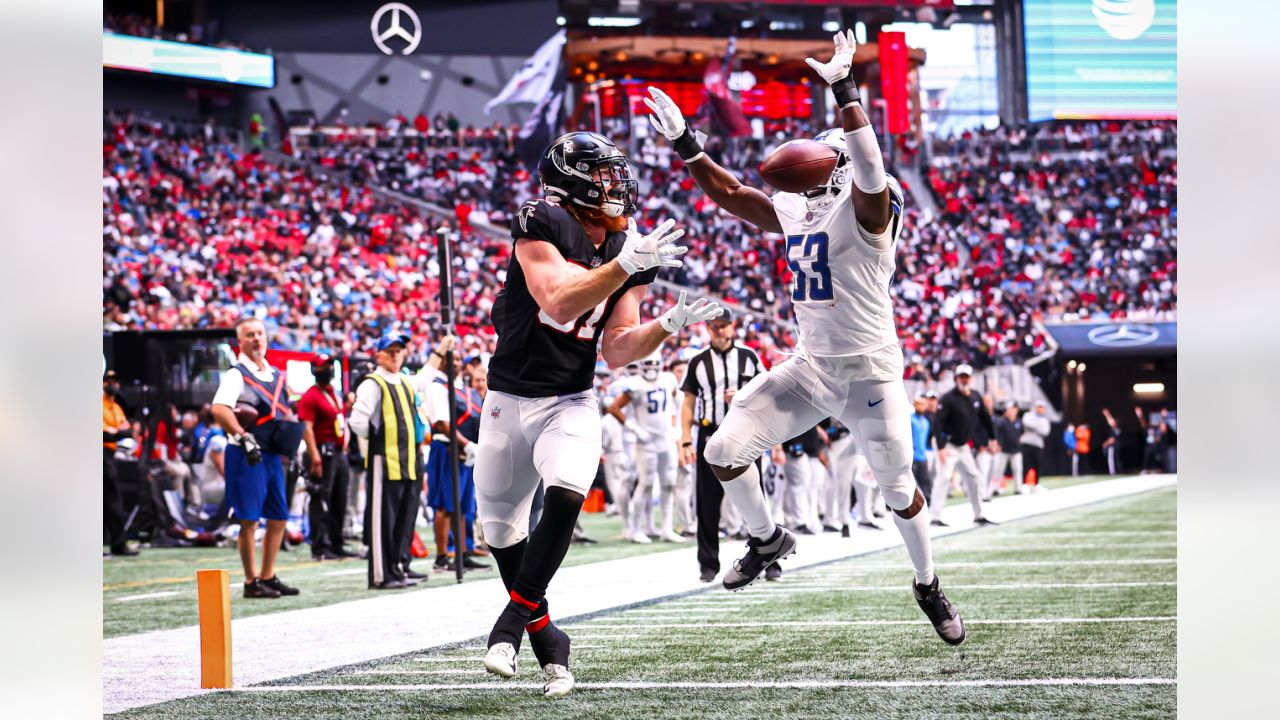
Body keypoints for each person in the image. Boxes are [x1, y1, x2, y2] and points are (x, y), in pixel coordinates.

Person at [644, 28, 964, 645]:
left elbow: (870, 165)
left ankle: (926, 581)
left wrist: (845, 89)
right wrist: (686, 142)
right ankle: (767, 539)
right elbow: (733, 192)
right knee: (721, 450)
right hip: (813, 368)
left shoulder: (869, 211)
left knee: (899, 491)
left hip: (868, 374)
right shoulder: (799, 208)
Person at [475, 130, 722, 696]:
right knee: (500, 530)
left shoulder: (626, 246)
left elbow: (616, 347)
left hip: (569, 396)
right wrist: (623, 265)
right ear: (573, 180)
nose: (618, 186)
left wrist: (665, 327)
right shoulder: (541, 220)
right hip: (507, 399)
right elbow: (560, 299)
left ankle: (509, 625)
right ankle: (550, 642)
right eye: (605, 175)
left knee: (567, 489)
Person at [211, 317, 303, 599]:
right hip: (246, 454)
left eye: (260, 334)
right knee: (249, 519)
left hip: (274, 454)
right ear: (240, 341)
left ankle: (268, 575)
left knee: (278, 517)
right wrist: (243, 436)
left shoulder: (276, 374)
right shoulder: (236, 374)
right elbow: (219, 409)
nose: (257, 339)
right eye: (250, 335)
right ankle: (251, 581)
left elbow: (286, 414)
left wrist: (295, 448)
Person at [678, 311, 765, 583]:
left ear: (732, 326)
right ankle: (708, 564)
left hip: (746, 435)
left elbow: (768, 394)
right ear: (707, 329)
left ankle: (765, 557)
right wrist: (685, 438)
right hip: (710, 434)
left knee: (755, 498)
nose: (718, 331)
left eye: (723, 326)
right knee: (707, 503)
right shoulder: (698, 361)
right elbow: (688, 402)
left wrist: (744, 396)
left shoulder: (750, 357)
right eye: (713, 327)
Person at [348, 333, 424, 590]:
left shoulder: (405, 381)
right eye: (389, 350)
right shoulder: (372, 383)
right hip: (385, 460)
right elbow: (357, 421)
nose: (394, 355)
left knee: (404, 519)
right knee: (385, 520)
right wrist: (378, 441)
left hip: (409, 460)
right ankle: (382, 574)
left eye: (398, 350)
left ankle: (397, 568)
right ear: (378, 354)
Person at [424, 338, 490, 572]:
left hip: (466, 451)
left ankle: (463, 552)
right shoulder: (436, 387)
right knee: (444, 504)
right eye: (451, 358)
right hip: (447, 449)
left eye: (460, 358)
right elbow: (442, 423)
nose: (456, 362)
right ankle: (442, 556)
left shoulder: (465, 389)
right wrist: (467, 445)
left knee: (463, 505)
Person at [606, 352, 685, 543]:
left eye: (654, 364)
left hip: (665, 439)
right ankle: (634, 528)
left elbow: (674, 404)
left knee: (668, 483)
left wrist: (676, 427)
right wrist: (633, 428)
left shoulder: (668, 379)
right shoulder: (634, 384)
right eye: (647, 365)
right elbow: (613, 407)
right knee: (646, 483)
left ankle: (666, 528)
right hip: (646, 441)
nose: (651, 368)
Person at [297, 355, 356, 561]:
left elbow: (340, 420)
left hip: (338, 452)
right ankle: (320, 546)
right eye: (325, 366)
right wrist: (315, 457)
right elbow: (307, 428)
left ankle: (336, 542)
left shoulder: (333, 393)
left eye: (331, 365)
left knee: (340, 499)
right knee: (321, 499)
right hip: (322, 452)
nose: (329, 369)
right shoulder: (310, 396)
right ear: (315, 370)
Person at [931, 364, 997, 527]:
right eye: (961, 377)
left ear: (971, 378)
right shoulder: (948, 398)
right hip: (947, 444)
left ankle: (978, 514)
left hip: (962, 446)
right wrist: (940, 447)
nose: (964, 379)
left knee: (973, 477)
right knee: (944, 477)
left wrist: (992, 438)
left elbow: (985, 418)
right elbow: (937, 423)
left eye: (966, 377)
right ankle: (935, 516)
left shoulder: (975, 396)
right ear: (956, 379)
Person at [103, 370, 138, 557]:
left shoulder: (116, 407)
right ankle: (117, 543)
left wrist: (114, 432)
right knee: (110, 498)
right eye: (108, 381)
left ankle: (118, 543)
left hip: (109, 454)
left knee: (110, 499)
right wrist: (115, 433)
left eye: (115, 381)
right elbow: (106, 433)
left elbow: (126, 431)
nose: (112, 385)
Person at [822, 418, 864, 536]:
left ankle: (847, 520)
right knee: (835, 485)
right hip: (833, 444)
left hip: (850, 441)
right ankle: (834, 520)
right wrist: (822, 435)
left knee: (851, 484)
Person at [668, 358, 696, 537]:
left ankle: (689, 522)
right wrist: (681, 446)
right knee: (680, 485)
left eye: (684, 370)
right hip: (676, 442)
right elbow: (673, 423)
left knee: (689, 486)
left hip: (689, 441)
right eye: (678, 371)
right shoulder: (673, 394)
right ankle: (686, 525)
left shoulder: (689, 393)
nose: (682, 374)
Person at [989, 402, 1025, 496]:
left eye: (1015, 409)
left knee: (1017, 469)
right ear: (1007, 410)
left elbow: (1022, 433)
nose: (1013, 411)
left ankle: (1018, 489)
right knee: (998, 470)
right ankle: (995, 489)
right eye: (1011, 408)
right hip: (1003, 450)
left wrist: (1019, 441)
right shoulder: (1001, 422)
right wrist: (997, 445)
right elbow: (996, 435)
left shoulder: (1019, 422)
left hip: (1016, 450)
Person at [909, 394, 934, 506]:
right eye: (919, 404)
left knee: (926, 482)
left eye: (923, 404)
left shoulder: (925, 422)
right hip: (912, 456)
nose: (921, 406)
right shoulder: (910, 419)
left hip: (922, 456)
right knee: (910, 484)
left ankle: (928, 505)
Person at [1021, 401, 1051, 489]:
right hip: (1027, 443)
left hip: (1038, 445)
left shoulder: (1045, 420)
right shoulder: (1028, 415)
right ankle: (1024, 484)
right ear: (1035, 407)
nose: (1040, 409)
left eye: (1042, 407)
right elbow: (1027, 423)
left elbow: (1045, 432)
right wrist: (1039, 427)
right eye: (1039, 407)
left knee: (1037, 465)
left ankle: (1036, 484)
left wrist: (1034, 427)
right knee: (1026, 464)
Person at [1101, 408, 1122, 476]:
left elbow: (1112, 439)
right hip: (1116, 446)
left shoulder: (1116, 430)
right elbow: (1110, 421)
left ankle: (1112, 472)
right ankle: (1117, 471)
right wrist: (1107, 414)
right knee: (1115, 459)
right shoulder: (1116, 429)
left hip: (1113, 446)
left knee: (1111, 459)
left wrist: (1105, 443)